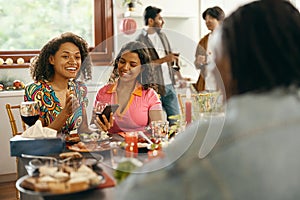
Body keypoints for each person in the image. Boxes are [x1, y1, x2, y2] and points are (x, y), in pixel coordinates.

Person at [116, 0, 300, 199]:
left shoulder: (209, 141)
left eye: (218, 55)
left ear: (234, 61)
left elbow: (131, 196)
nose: (211, 69)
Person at [24, 32, 92, 134]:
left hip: (72, 148)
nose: (73, 61)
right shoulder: (36, 91)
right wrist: (65, 113)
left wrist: (101, 128)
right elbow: (37, 135)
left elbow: (84, 130)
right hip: (48, 149)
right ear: (52, 59)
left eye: (77, 57)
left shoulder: (79, 88)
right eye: (65, 56)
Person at [92, 41, 164, 133]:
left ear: (142, 68)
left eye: (133, 65)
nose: (125, 68)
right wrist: (99, 127)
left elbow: (158, 130)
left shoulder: (150, 95)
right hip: (109, 145)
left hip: (139, 145)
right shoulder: (103, 92)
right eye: (122, 62)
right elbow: (94, 126)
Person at [136, 6, 183, 125]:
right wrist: (164, 59)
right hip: (154, 88)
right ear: (151, 21)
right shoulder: (140, 40)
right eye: (160, 19)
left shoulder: (163, 36)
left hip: (169, 85)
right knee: (157, 125)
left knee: (176, 122)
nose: (163, 22)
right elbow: (144, 66)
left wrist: (179, 76)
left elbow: (170, 58)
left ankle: (175, 144)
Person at [193, 6, 225, 92]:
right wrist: (198, 62)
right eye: (206, 19)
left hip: (223, 86)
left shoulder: (228, 38)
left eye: (211, 18)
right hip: (206, 84)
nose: (207, 21)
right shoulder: (204, 40)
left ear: (220, 20)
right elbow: (196, 64)